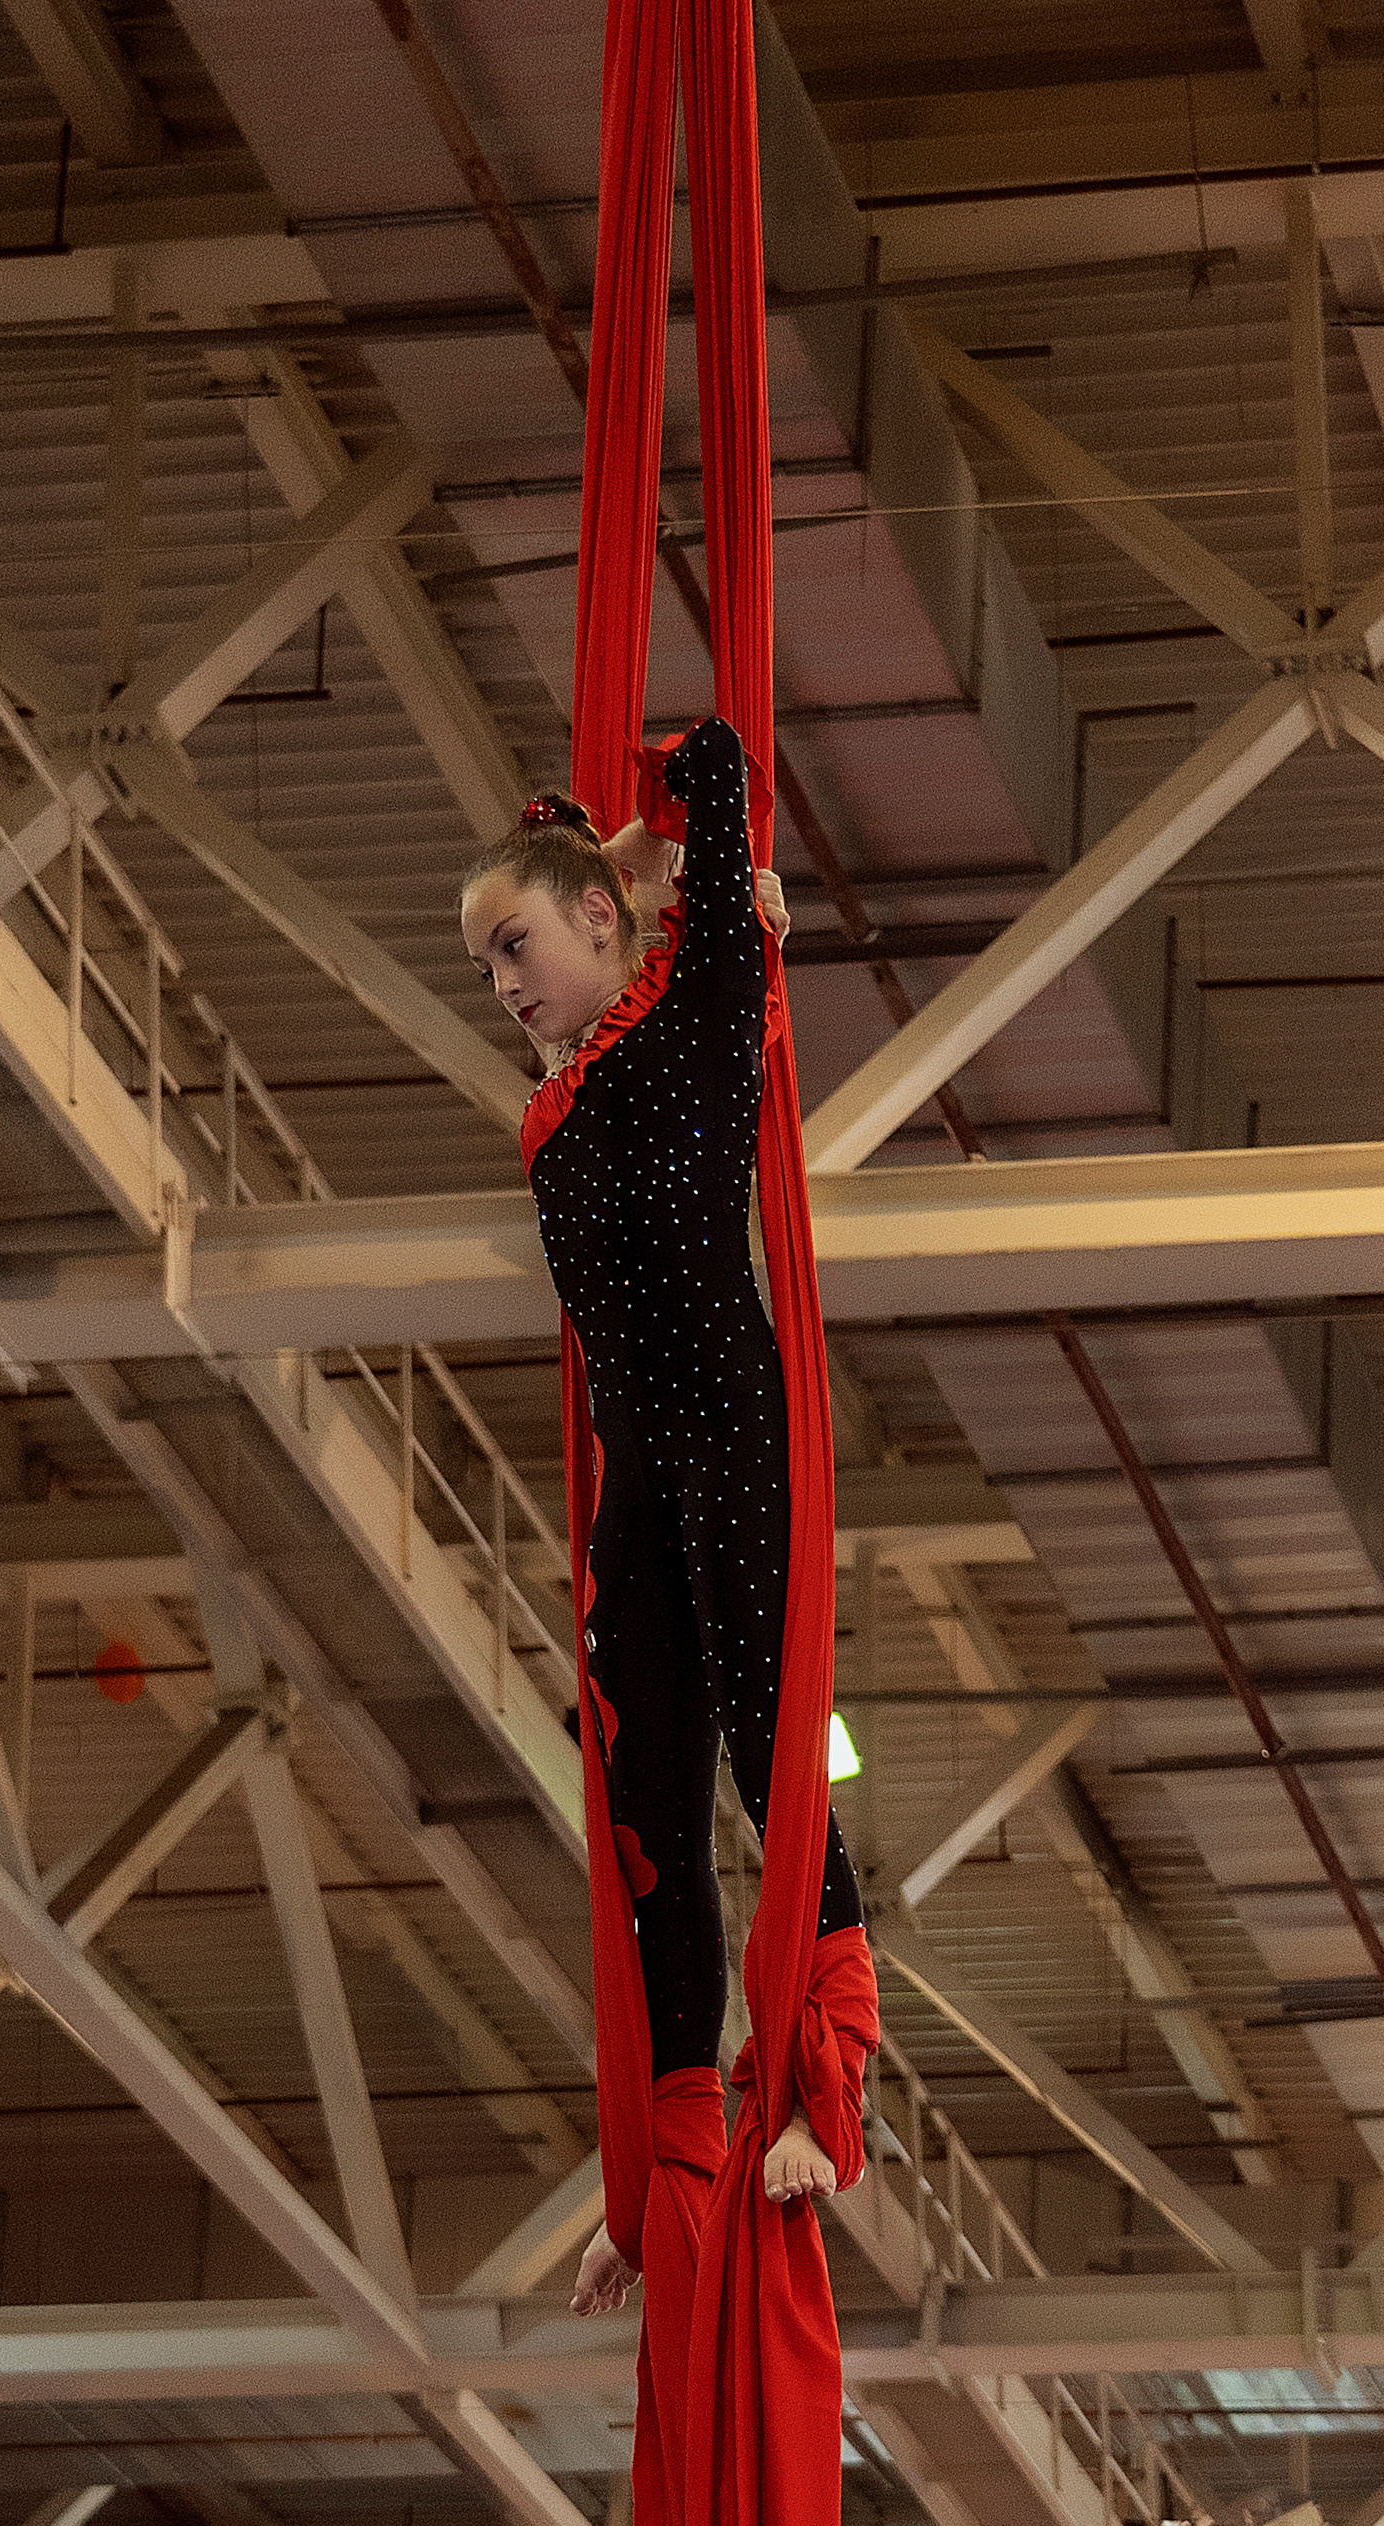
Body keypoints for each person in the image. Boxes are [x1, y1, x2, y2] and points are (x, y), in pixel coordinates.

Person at [459, 715, 870, 2322]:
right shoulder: (565, 1100)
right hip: (641, 1468)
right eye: (485, 964)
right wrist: (591, 864)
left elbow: (714, 755)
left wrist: (641, 856)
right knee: (640, 1796)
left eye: (516, 946)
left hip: (734, 1433)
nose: (503, 988)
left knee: (768, 1743)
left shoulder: (700, 1005)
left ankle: (824, 2088)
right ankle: (669, 2137)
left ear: (598, 924)